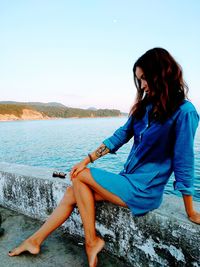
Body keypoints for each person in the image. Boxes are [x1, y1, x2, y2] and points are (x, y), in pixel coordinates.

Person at [8, 48, 200, 267]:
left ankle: (91, 242)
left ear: (162, 74)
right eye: (139, 80)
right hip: (127, 179)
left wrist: (191, 211)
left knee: (80, 178)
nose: (143, 85)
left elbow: (184, 161)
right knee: (75, 189)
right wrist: (87, 159)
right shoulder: (145, 107)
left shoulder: (185, 112)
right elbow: (119, 136)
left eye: (145, 78)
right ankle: (35, 240)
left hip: (145, 190)